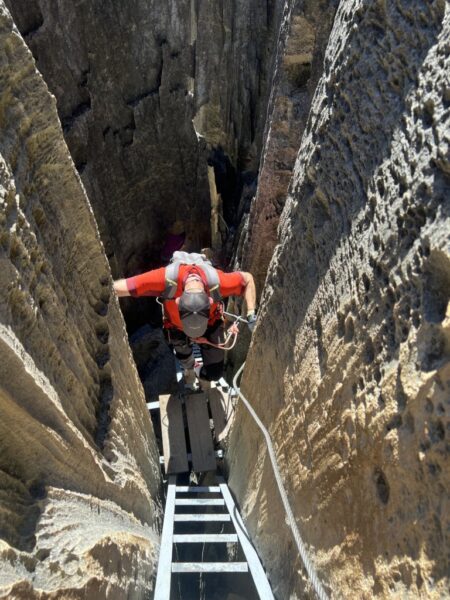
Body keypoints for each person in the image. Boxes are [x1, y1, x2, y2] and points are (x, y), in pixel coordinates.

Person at [113, 254, 257, 385]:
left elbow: (248, 279)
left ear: (210, 300)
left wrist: (251, 312)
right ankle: (190, 367)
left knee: (215, 374)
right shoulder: (165, 279)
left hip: (211, 324)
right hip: (177, 328)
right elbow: (121, 287)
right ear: (178, 300)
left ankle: (197, 371)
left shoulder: (218, 282)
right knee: (185, 356)